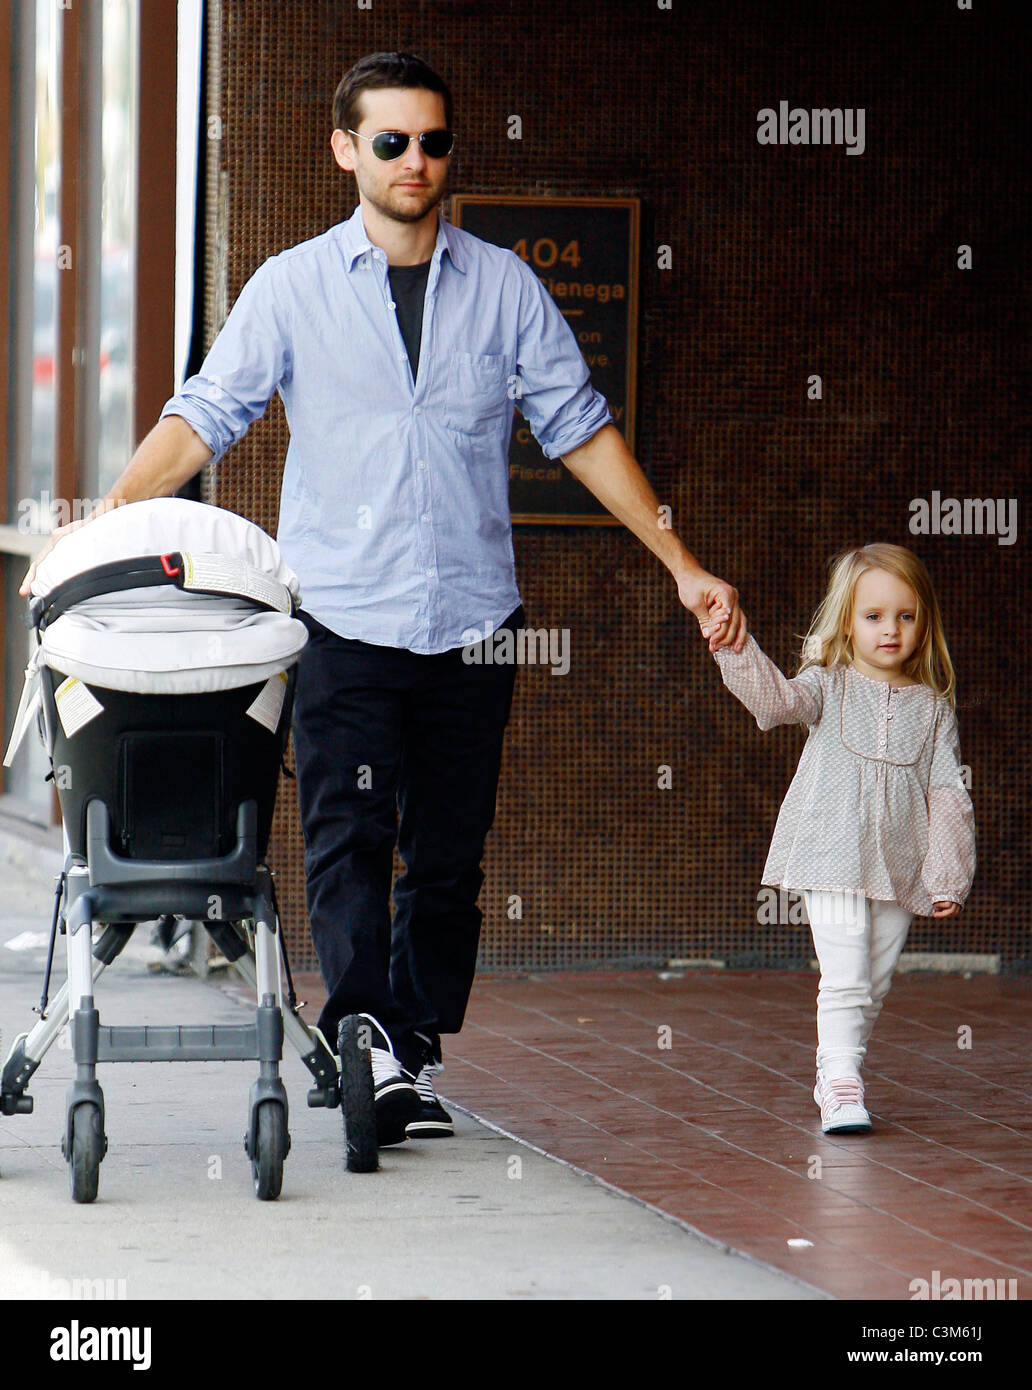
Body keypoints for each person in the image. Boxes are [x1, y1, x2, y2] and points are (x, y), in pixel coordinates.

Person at [21, 51, 745, 1149]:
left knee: (449, 854)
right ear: (346, 149)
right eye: (394, 142)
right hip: (341, 618)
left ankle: (413, 1045)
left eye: (435, 142)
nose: (418, 162)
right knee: (348, 833)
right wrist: (114, 509)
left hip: (472, 623)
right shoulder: (293, 286)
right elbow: (208, 412)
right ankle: (361, 1034)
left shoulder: (503, 286)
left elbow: (581, 428)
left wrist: (684, 566)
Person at [707, 543, 975, 1134]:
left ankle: (835, 1067)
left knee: (873, 983)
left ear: (924, 622)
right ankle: (843, 1081)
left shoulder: (933, 709)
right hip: (829, 851)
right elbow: (776, 704)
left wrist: (948, 872)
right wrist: (736, 648)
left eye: (906, 616)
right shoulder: (827, 686)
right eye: (874, 616)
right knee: (847, 974)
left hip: (900, 863)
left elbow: (949, 791)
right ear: (847, 623)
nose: (891, 630)